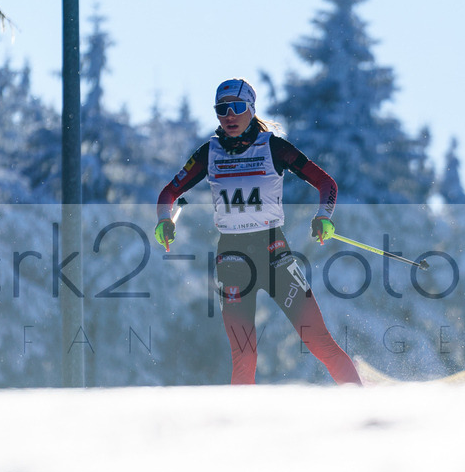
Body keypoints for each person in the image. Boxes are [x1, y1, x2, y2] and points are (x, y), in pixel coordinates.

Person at [155, 78, 362, 385]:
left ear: (251, 109)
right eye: (222, 109)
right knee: (244, 354)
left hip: (273, 252)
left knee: (318, 341)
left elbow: (326, 183)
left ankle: (361, 402)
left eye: (237, 107)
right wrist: (164, 220)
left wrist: (323, 216)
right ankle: (242, 414)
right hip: (232, 258)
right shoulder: (209, 153)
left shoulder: (273, 147)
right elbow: (168, 194)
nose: (229, 116)